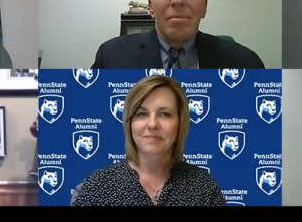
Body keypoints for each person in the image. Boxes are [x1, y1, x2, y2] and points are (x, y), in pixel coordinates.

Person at [71, 75, 226, 206]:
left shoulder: (203, 188)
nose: (152, 124)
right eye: (141, 114)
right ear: (129, 122)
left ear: (180, 123)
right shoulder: (98, 186)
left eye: (165, 114)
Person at [90, 0, 265, 69]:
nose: (178, 0)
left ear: (204, 5)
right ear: (150, 7)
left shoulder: (245, 62)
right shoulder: (111, 58)